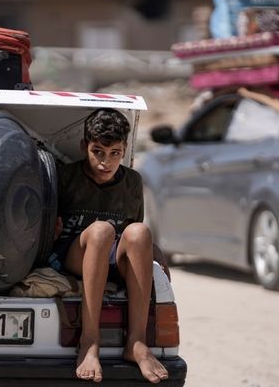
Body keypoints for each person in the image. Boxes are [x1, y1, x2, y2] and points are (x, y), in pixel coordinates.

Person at [47, 108, 170, 384]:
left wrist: (155, 253)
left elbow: (132, 234)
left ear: (125, 150)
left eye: (115, 153)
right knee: (102, 230)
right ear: (84, 147)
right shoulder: (66, 177)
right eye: (98, 152)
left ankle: (136, 343)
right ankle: (90, 341)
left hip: (112, 257)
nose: (106, 162)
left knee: (139, 232)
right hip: (73, 253)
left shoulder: (132, 182)